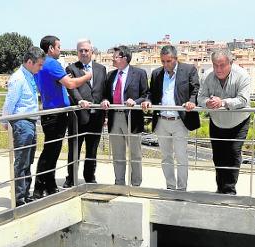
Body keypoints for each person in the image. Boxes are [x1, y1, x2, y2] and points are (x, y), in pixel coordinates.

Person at [33, 35, 92, 199]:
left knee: (52, 152)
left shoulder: (42, 63)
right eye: (59, 47)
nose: (60, 50)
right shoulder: (52, 63)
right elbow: (71, 84)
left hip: (52, 113)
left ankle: (49, 186)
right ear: (51, 48)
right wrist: (87, 76)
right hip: (55, 115)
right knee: (49, 152)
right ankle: (39, 188)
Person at [142, 45, 200, 191]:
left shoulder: (188, 70)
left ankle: (181, 189)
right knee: (166, 157)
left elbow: (196, 89)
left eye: (168, 61)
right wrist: (148, 100)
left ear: (176, 58)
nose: (166, 64)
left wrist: (192, 101)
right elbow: (151, 93)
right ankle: (170, 187)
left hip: (180, 121)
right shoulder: (156, 73)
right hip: (162, 121)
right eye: (163, 61)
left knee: (181, 156)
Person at [197, 48, 251, 195]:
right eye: (215, 65)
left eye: (222, 65)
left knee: (233, 155)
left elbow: (243, 100)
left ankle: (229, 191)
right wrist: (207, 102)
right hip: (217, 122)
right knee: (218, 156)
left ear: (231, 63)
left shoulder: (242, 75)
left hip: (239, 122)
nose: (218, 69)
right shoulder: (207, 76)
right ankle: (220, 189)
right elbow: (200, 98)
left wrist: (223, 103)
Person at [1, 47, 45, 207]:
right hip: (22, 122)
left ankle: (25, 194)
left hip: (30, 122)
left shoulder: (30, 76)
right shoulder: (18, 78)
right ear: (29, 62)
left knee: (28, 160)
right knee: (21, 161)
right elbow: (10, 102)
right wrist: (5, 121)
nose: (40, 68)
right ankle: (20, 199)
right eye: (39, 65)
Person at [100, 45, 149, 186]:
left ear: (125, 58)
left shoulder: (139, 73)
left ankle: (136, 184)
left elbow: (145, 94)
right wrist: (104, 101)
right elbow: (106, 95)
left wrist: (136, 101)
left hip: (132, 118)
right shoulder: (111, 75)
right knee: (118, 154)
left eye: (115, 57)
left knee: (135, 154)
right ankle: (119, 183)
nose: (113, 59)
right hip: (115, 118)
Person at [63, 38, 107, 187]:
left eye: (86, 50)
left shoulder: (101, 69)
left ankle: (90, 177)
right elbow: (71, 88)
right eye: (80, 50)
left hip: (97, 117)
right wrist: (80, 100)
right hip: (78, 116)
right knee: (74, 149)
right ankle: (71, 178)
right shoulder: (71, 69)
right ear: (77, 52)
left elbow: (104, 90)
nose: (83, 53)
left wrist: (105, 103)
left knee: (92, 150)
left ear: (92, 52)